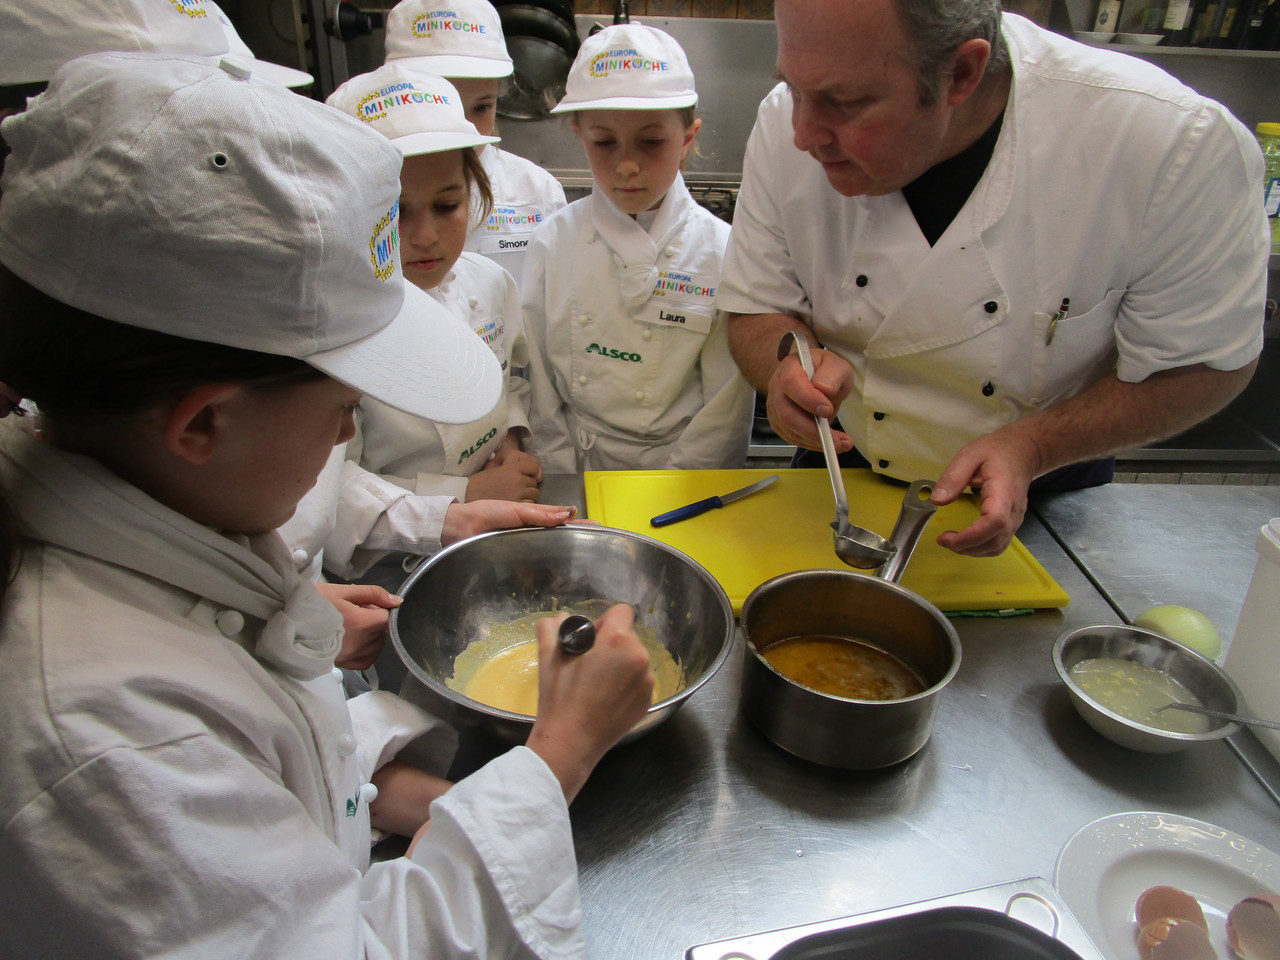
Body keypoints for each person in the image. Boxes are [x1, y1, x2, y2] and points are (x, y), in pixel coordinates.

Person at [0, 51, 654, 957]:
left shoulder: (165, 522)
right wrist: (561, 751)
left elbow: (261, 798)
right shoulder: (101, 736)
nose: (349, 433)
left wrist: (383, 791)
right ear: (203, 423)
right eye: (345, 410)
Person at [718, 0, 1268, 557]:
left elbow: (1202, 366)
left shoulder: (1169, 143)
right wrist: (785, 365)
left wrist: (1034, 447)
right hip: (841, 474)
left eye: (846, 101)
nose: (802, 134)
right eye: (792, 87)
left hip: (1049, 492)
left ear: (961, 73)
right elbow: (756, 306)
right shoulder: (786, 121)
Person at [520, 22, 755, 472]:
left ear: (687, 138)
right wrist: (561, 474)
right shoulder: (554, 240)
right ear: (578, 133)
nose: (627, 165)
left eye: (650, 142)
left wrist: (678, 490)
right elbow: (540, 381)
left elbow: (725, 406)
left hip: (678, 471)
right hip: (579, 462)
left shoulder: (720, 250)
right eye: (604, 142)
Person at [329, 64, 543, 510]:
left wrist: (508, 442)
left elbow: (509, 382)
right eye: (396, 212)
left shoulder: (491, 283)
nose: (425, 236)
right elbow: (332, 486)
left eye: (447, 205)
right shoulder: (334, 325)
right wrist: (460, 496)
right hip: (396, 539)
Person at [383, 0, 568, 283]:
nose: (466, 128)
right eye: (444, 106)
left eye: (481, 107)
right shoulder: (374, 189)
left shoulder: (537, 193)